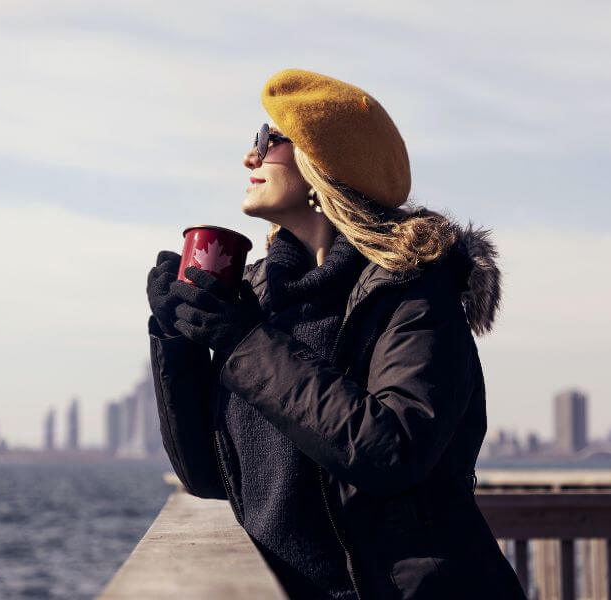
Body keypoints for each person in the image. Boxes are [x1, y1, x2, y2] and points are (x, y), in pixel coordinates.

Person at [145, 69, 527, 599]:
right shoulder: (258, 300)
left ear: (323, 165)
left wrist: (241, 341)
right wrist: (178, 338)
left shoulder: (414, 293)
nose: (250, 157)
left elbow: (390, 449)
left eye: (268, 139)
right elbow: (209, 476)